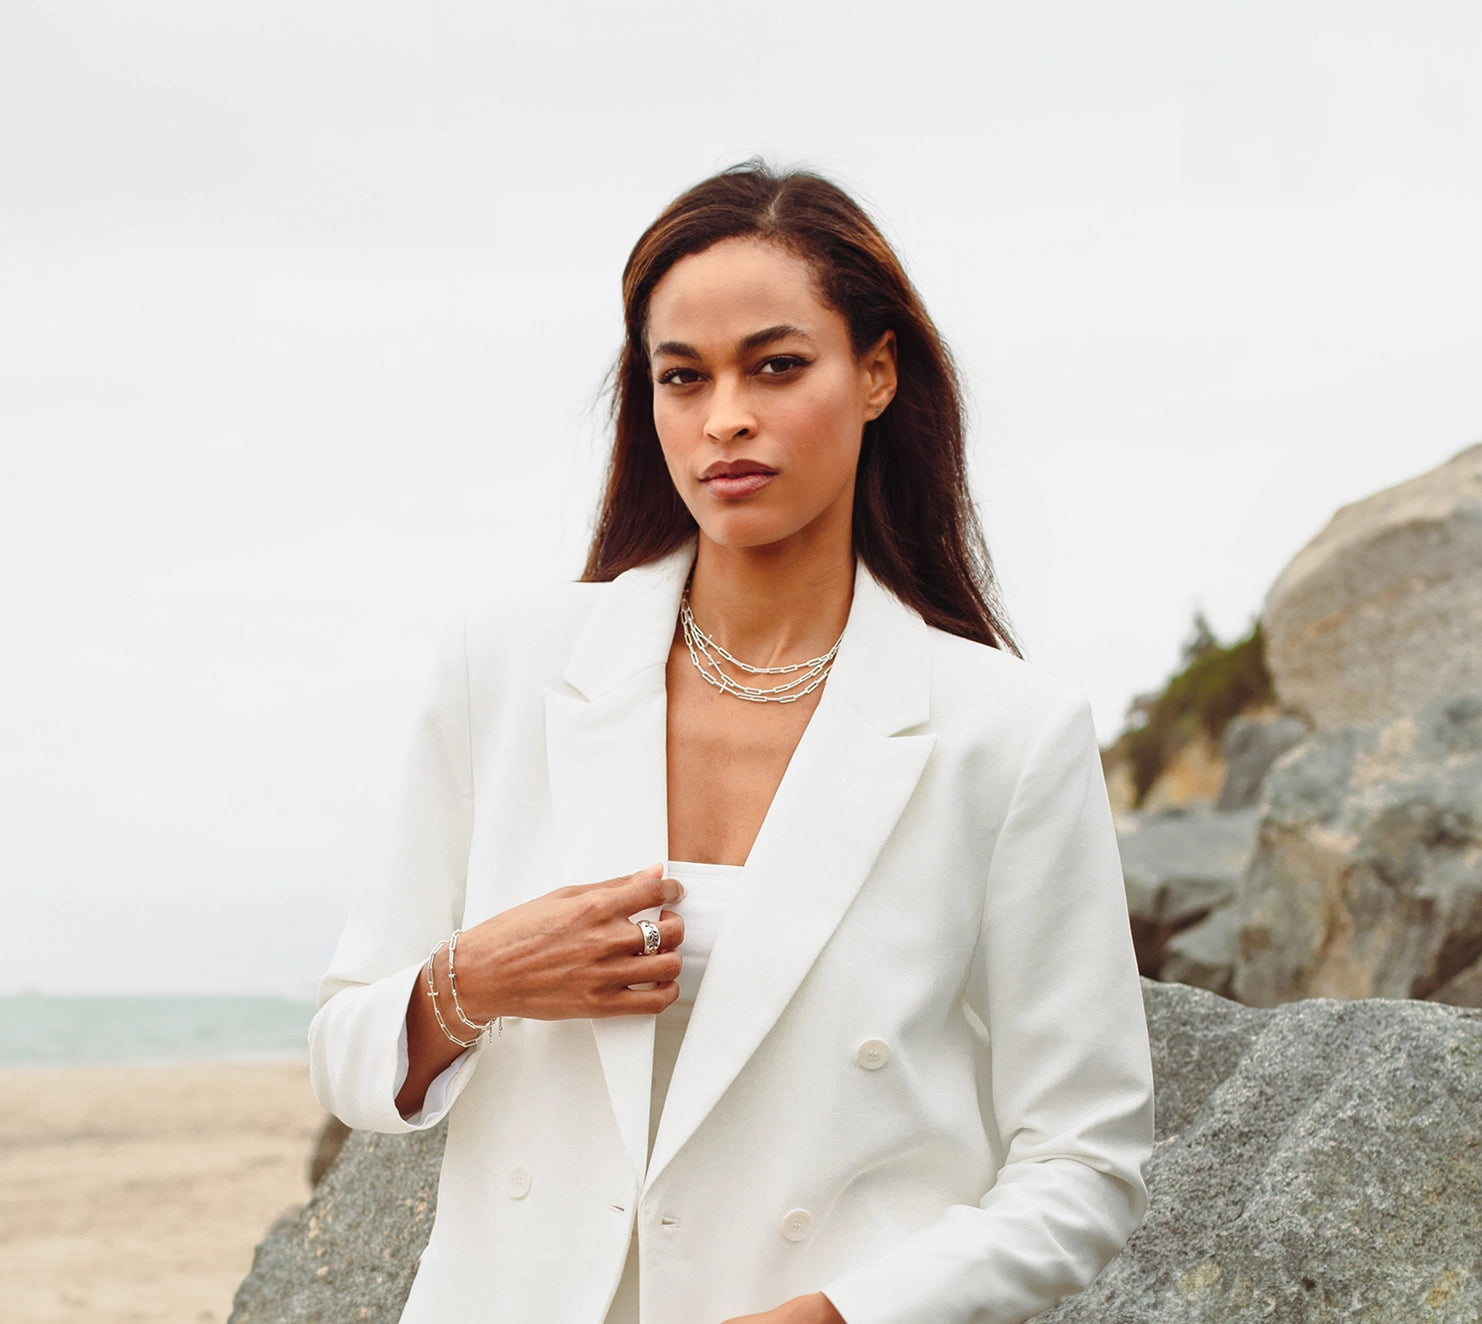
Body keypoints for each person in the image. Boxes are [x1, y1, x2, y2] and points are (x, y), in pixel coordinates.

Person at [308, 161, 1154, 1324]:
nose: (726, 419)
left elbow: (1085, 1161)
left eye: (776, 364)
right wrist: (482, 976)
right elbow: (346, 1053)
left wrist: (844, 1316)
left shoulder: (1004, 736)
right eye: (681, 377)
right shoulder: (502, 673)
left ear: (876, 372)